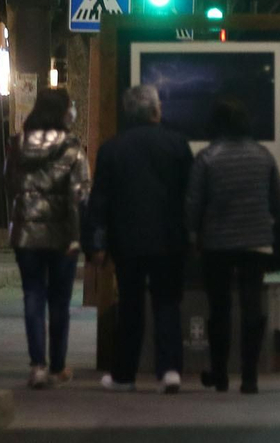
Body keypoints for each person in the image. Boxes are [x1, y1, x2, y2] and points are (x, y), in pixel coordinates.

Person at [86, 84, 194, 393]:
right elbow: (191, 195)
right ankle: (170, 369)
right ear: (156, 111)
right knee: (167, 303)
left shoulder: (112, 148)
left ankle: (124, 374)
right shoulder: (177, 145)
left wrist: (97, 243)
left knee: (130, 306)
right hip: (170, 239)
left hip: (127, 241)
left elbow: (100, 200)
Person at [187, 97, 280, 395]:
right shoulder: (263, 156)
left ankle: (219, 374)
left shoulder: (207, 157)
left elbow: (194, 202)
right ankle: (250, 377)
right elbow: (278, 201)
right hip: (256, 241)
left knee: (220, 307)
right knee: (251, 306)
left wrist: (192, 234)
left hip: (218, 242)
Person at [8, 88, 90, 389]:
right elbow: (82, 194)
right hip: (63, 235)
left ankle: (37, 366)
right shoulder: (72, 149)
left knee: (32, 295)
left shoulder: (17, 145)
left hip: (26, 234)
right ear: (63, 113)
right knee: (59, 301)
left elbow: (10, 183)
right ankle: (57, 366)